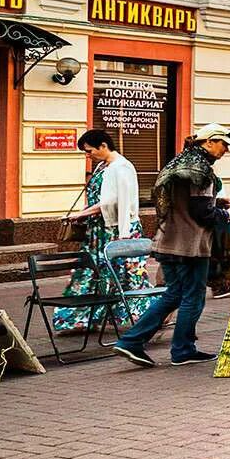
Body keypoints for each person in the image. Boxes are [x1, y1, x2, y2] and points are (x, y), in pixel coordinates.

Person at [112, 125, 230, 367]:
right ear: (208, 142)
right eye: (223, 144)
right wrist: (222, 213)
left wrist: (215, 201)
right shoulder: (202, 170)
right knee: (193, 297)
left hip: (167, 240)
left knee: (173, 294)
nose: (226, 149)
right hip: (191, 244)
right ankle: (182, 350)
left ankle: (131, 341)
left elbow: (184, 201)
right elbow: (201, 212)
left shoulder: (178, 164)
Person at [54, 130, 152, 334]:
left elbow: (113, 202)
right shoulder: (102, 166)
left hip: (117, 230)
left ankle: (154, 313)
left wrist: (80, 215)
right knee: (91, 272)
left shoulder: (121, 167)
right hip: (99, 231)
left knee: (126, 275)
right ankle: (81, 318)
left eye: (89, 151)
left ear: (103, 146)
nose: (87, 156)